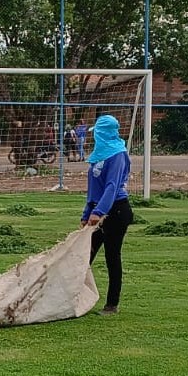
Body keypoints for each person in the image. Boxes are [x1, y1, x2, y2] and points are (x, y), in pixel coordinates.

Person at [80, 114, 134, 315]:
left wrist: (99, 212)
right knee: (85, 255)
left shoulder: (118, 155)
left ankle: (112, 304)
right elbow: (93, 187)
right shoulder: (98, 155)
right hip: (97, 210)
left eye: (98, 132)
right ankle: (74, 298)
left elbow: (112, 187)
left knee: (112, 256)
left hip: (117, 211)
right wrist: (87, 213)